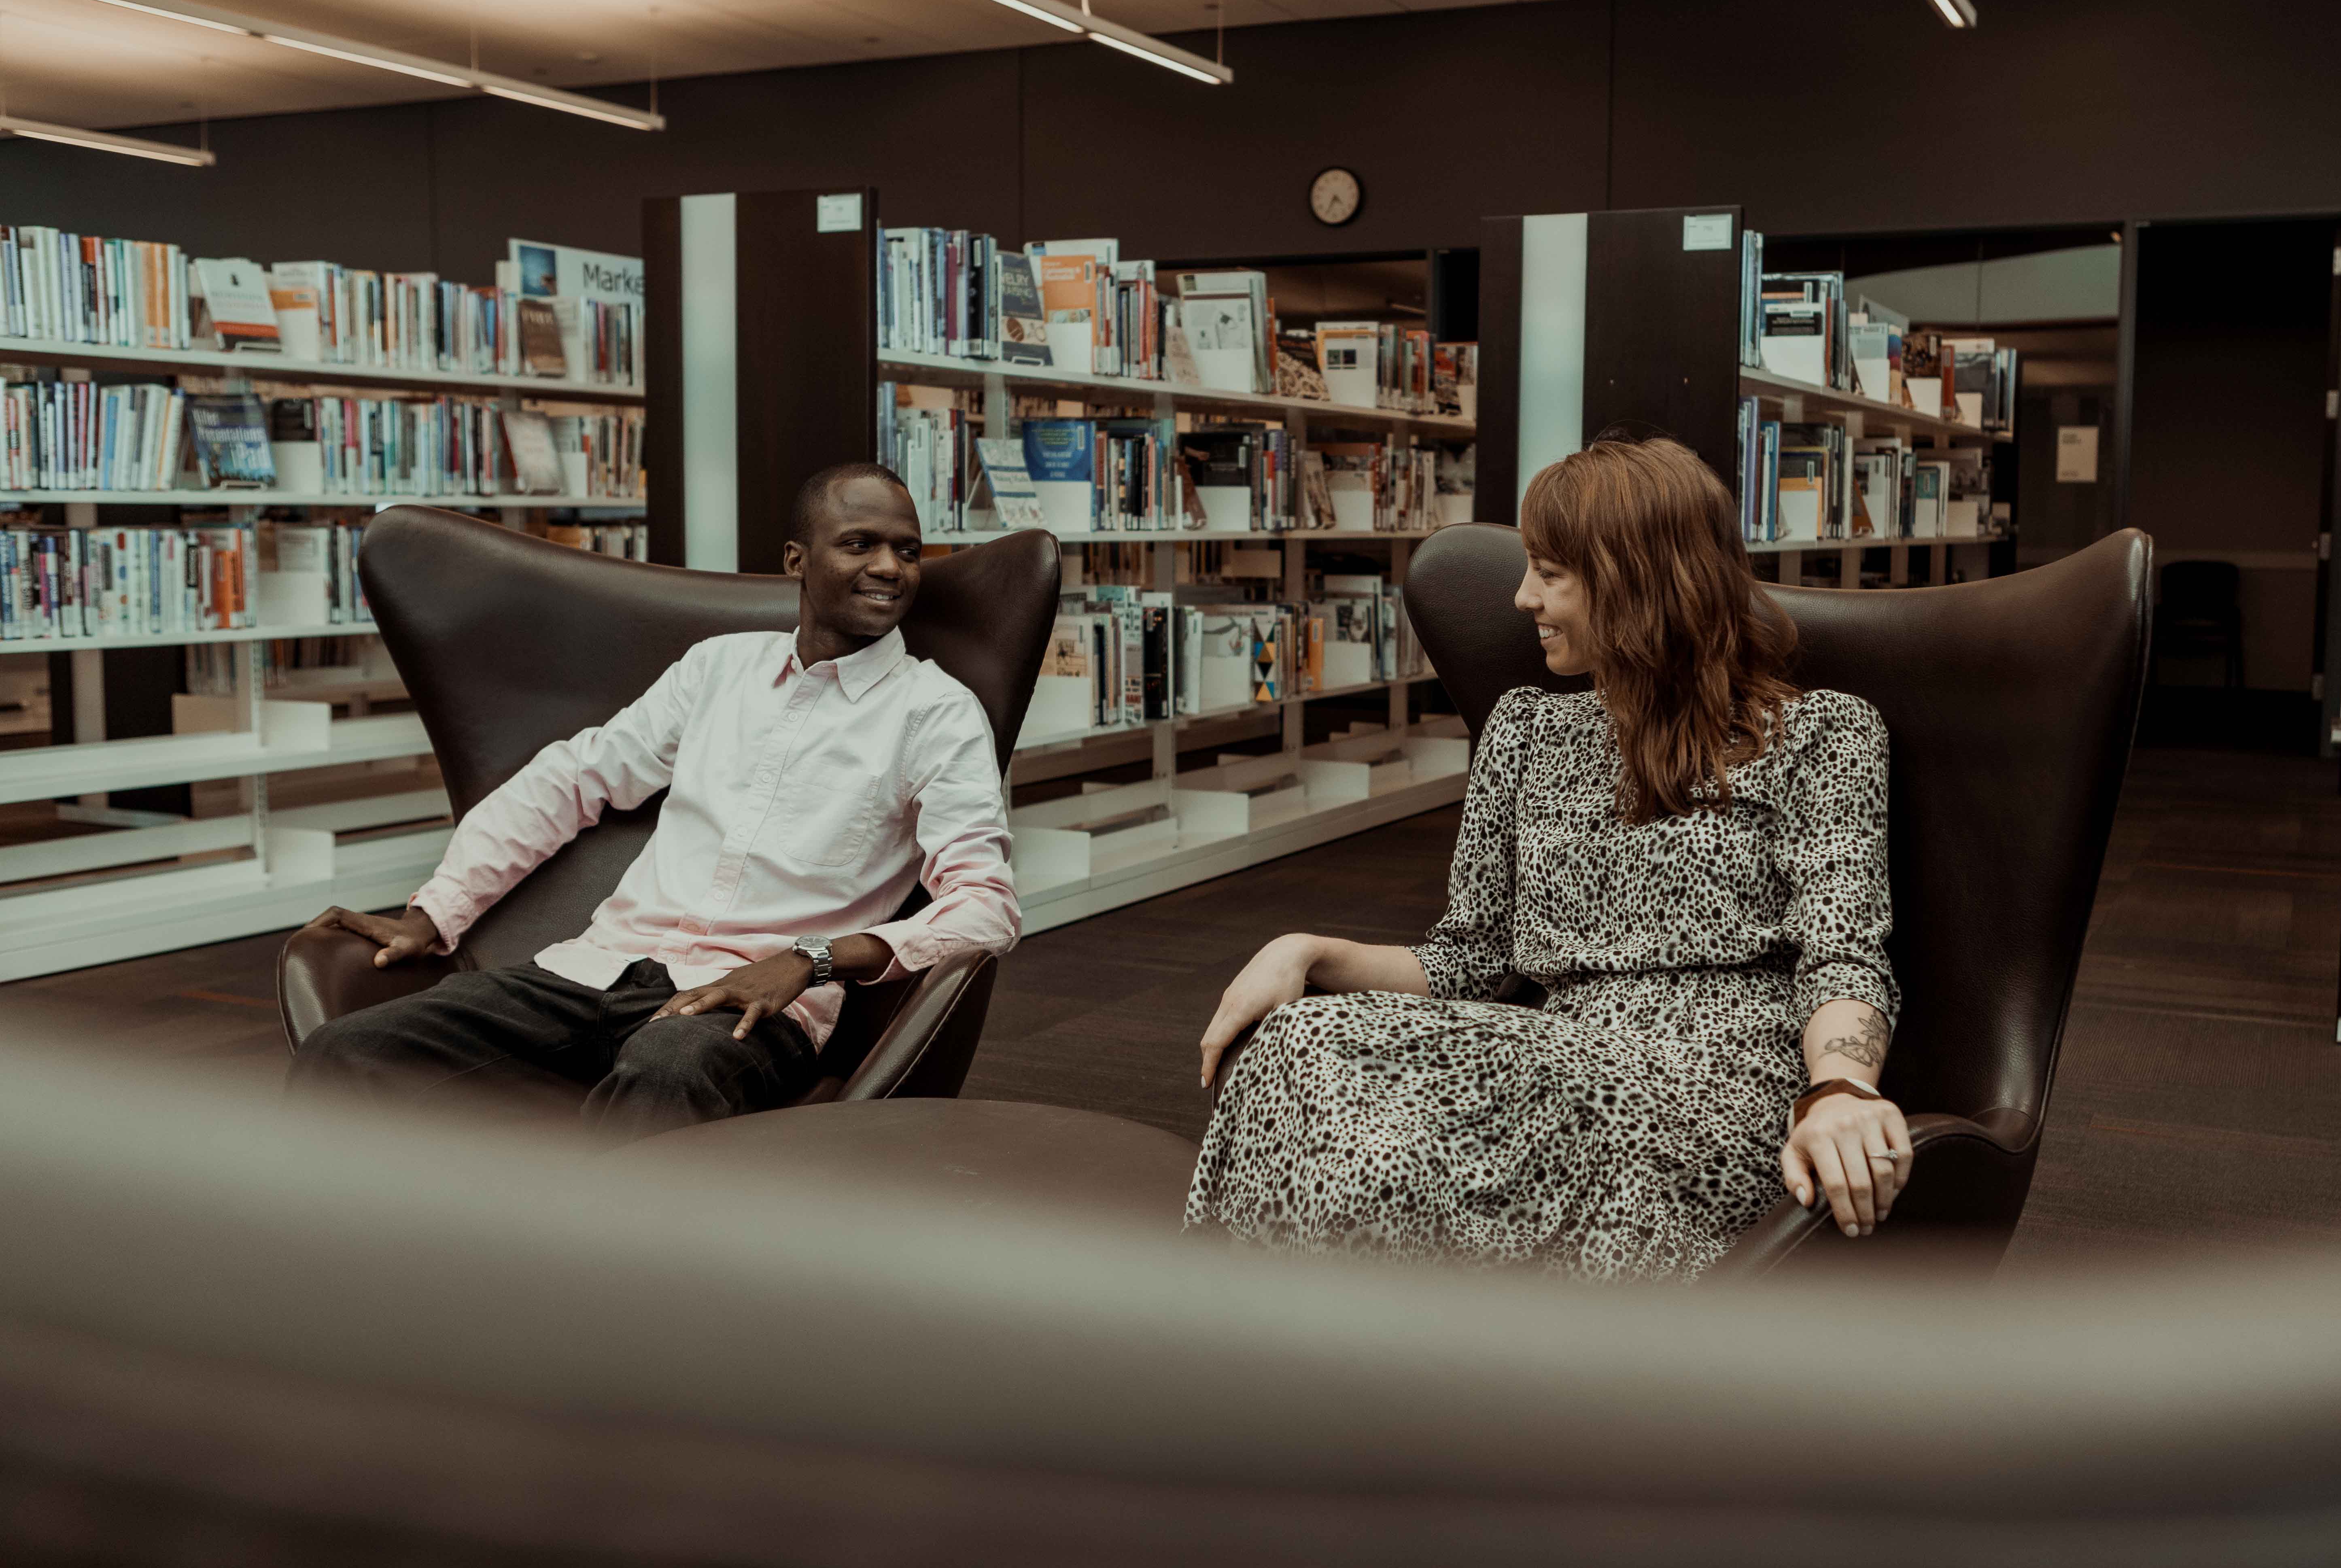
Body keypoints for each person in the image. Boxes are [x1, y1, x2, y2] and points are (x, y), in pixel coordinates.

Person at [1187, 435, 1904, 1282]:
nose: (1523, 597)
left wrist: (1839, 1088)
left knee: (1369, 1066)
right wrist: (1305, 950)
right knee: (1299, 1039)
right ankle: (1297, 1356)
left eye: (1551, 573)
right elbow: (1474, 955)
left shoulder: (1824, 733)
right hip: (1555, 1060)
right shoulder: (1527, 731)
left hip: (1711, 1090)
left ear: (1641, 580)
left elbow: (1842, 951)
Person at [288, 463, 1021, 1143]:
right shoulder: (717, 668)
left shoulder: (937, 714)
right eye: (861, 544)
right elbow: (573, 780)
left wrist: (812, 959)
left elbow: (986, 906)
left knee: (667, 1074)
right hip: (594, 970)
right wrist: (435, 913)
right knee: (347, 1051)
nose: (890, 569)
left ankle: (600, 1280)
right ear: (798, 560)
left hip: (750, 1005)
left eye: (909, 551)